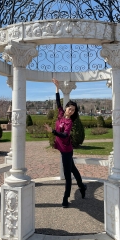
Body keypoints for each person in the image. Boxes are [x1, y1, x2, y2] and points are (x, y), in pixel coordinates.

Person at [44, 78, 87, 208]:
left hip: (67, 151)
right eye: (70, 108)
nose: (71, 111)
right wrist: (57, 87)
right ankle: (82, 186)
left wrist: (52, 131)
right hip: (63, 149)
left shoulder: (69, 122)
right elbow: (58, 102)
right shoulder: (61, 115)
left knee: (68, 174)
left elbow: (65, 135)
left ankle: (65, 198)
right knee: (73, 169)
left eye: (73, 110)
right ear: (67, 108)